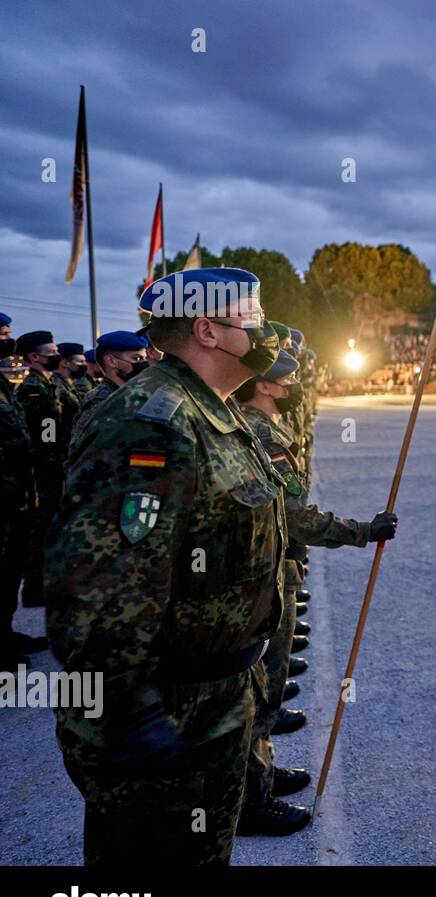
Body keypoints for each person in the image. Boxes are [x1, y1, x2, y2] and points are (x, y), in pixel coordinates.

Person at [46, 267, 286, 865]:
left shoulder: (214, 410)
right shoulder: (153, 421)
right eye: (251, 323)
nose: (266, 334)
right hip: (164, 708)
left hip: (215, 694)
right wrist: (131, 715)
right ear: (207, 329)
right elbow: (100, 582)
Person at [234, 349, 398, 835]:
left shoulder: (263, 426)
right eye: (288, 379)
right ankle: (250, 801)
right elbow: (296, 516)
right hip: (264, 571)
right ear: (265, 385)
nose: (296, 384)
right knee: (260, 690)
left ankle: (259, 775)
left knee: (266, 686)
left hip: (274, 564)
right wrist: (363, 531)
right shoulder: (258, 433)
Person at [0, 314, 41, 667]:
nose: (9, 341)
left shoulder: (3, 383)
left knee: (9, 570)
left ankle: (6, 633)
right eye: (3, 335)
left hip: (15, 496)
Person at [15, 329, 67, 607]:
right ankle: (34, 590)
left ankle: (42, 587)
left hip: (53, 471)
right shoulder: (32, 390)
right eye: (51, 352)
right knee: (39, 533)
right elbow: (41, 438)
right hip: (41, 475)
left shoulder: (48, 385)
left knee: (49, 531)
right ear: (34, 357)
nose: (56, 356)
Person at [68, 330, 149, 451]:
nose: (143, 364)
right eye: (136, 358)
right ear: (111, 361)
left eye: (144, 358)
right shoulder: (102, 400)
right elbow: (80, 448)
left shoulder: (125, 393)